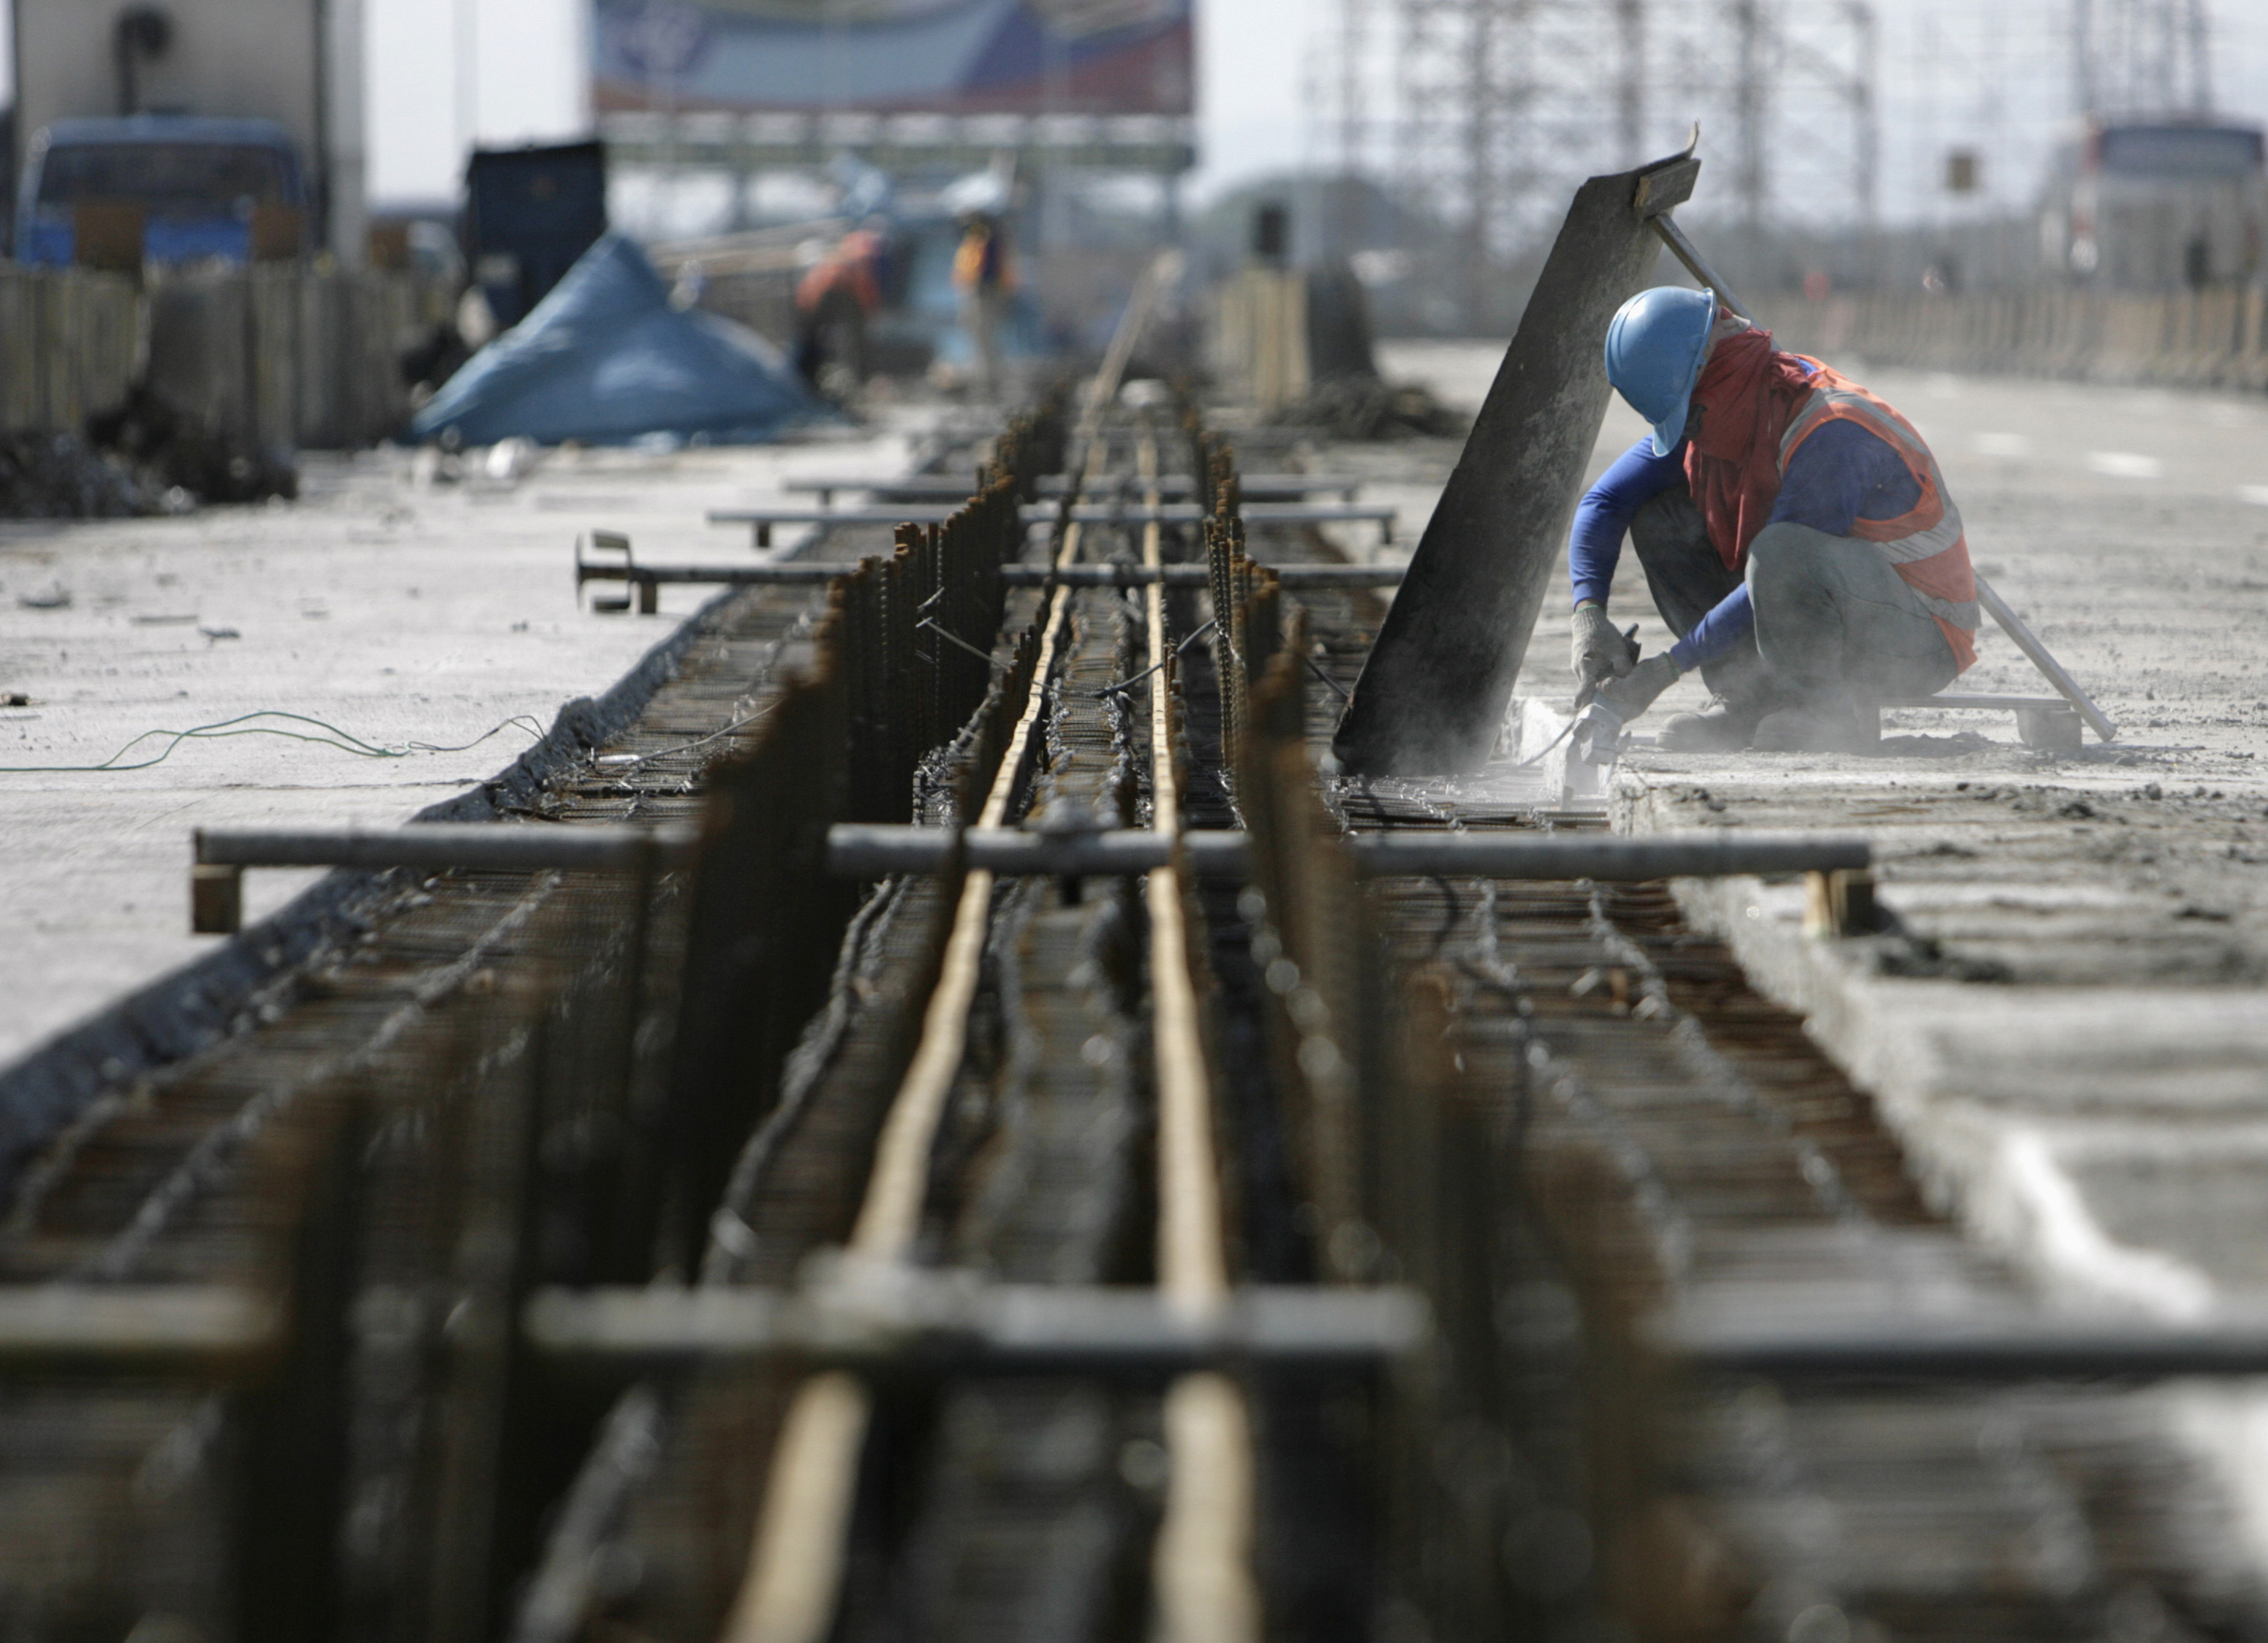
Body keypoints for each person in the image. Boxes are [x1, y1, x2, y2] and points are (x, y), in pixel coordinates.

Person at [1570, 287, 1979, 752]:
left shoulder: (1831, 430)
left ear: (1714, 377)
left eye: (1690, 418)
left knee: (1779, 549)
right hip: (1831, 608)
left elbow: (1780, 570)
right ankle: (1749, 699)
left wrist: (1669, 667)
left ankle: (1829, 712)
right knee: (1659, 517)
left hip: (1920, 636)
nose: (1689, 435)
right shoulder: (1727, 406)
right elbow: (1604, 502)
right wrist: (1589, 617)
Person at [951, 213, 1016, 397]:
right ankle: (983, 377)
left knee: (985, 337)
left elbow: (989, 272)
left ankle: (989, 379)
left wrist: (983, 291)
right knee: (977, 336)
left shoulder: (986, 242)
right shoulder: (977, 242)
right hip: (976, 293)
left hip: (984, 295)